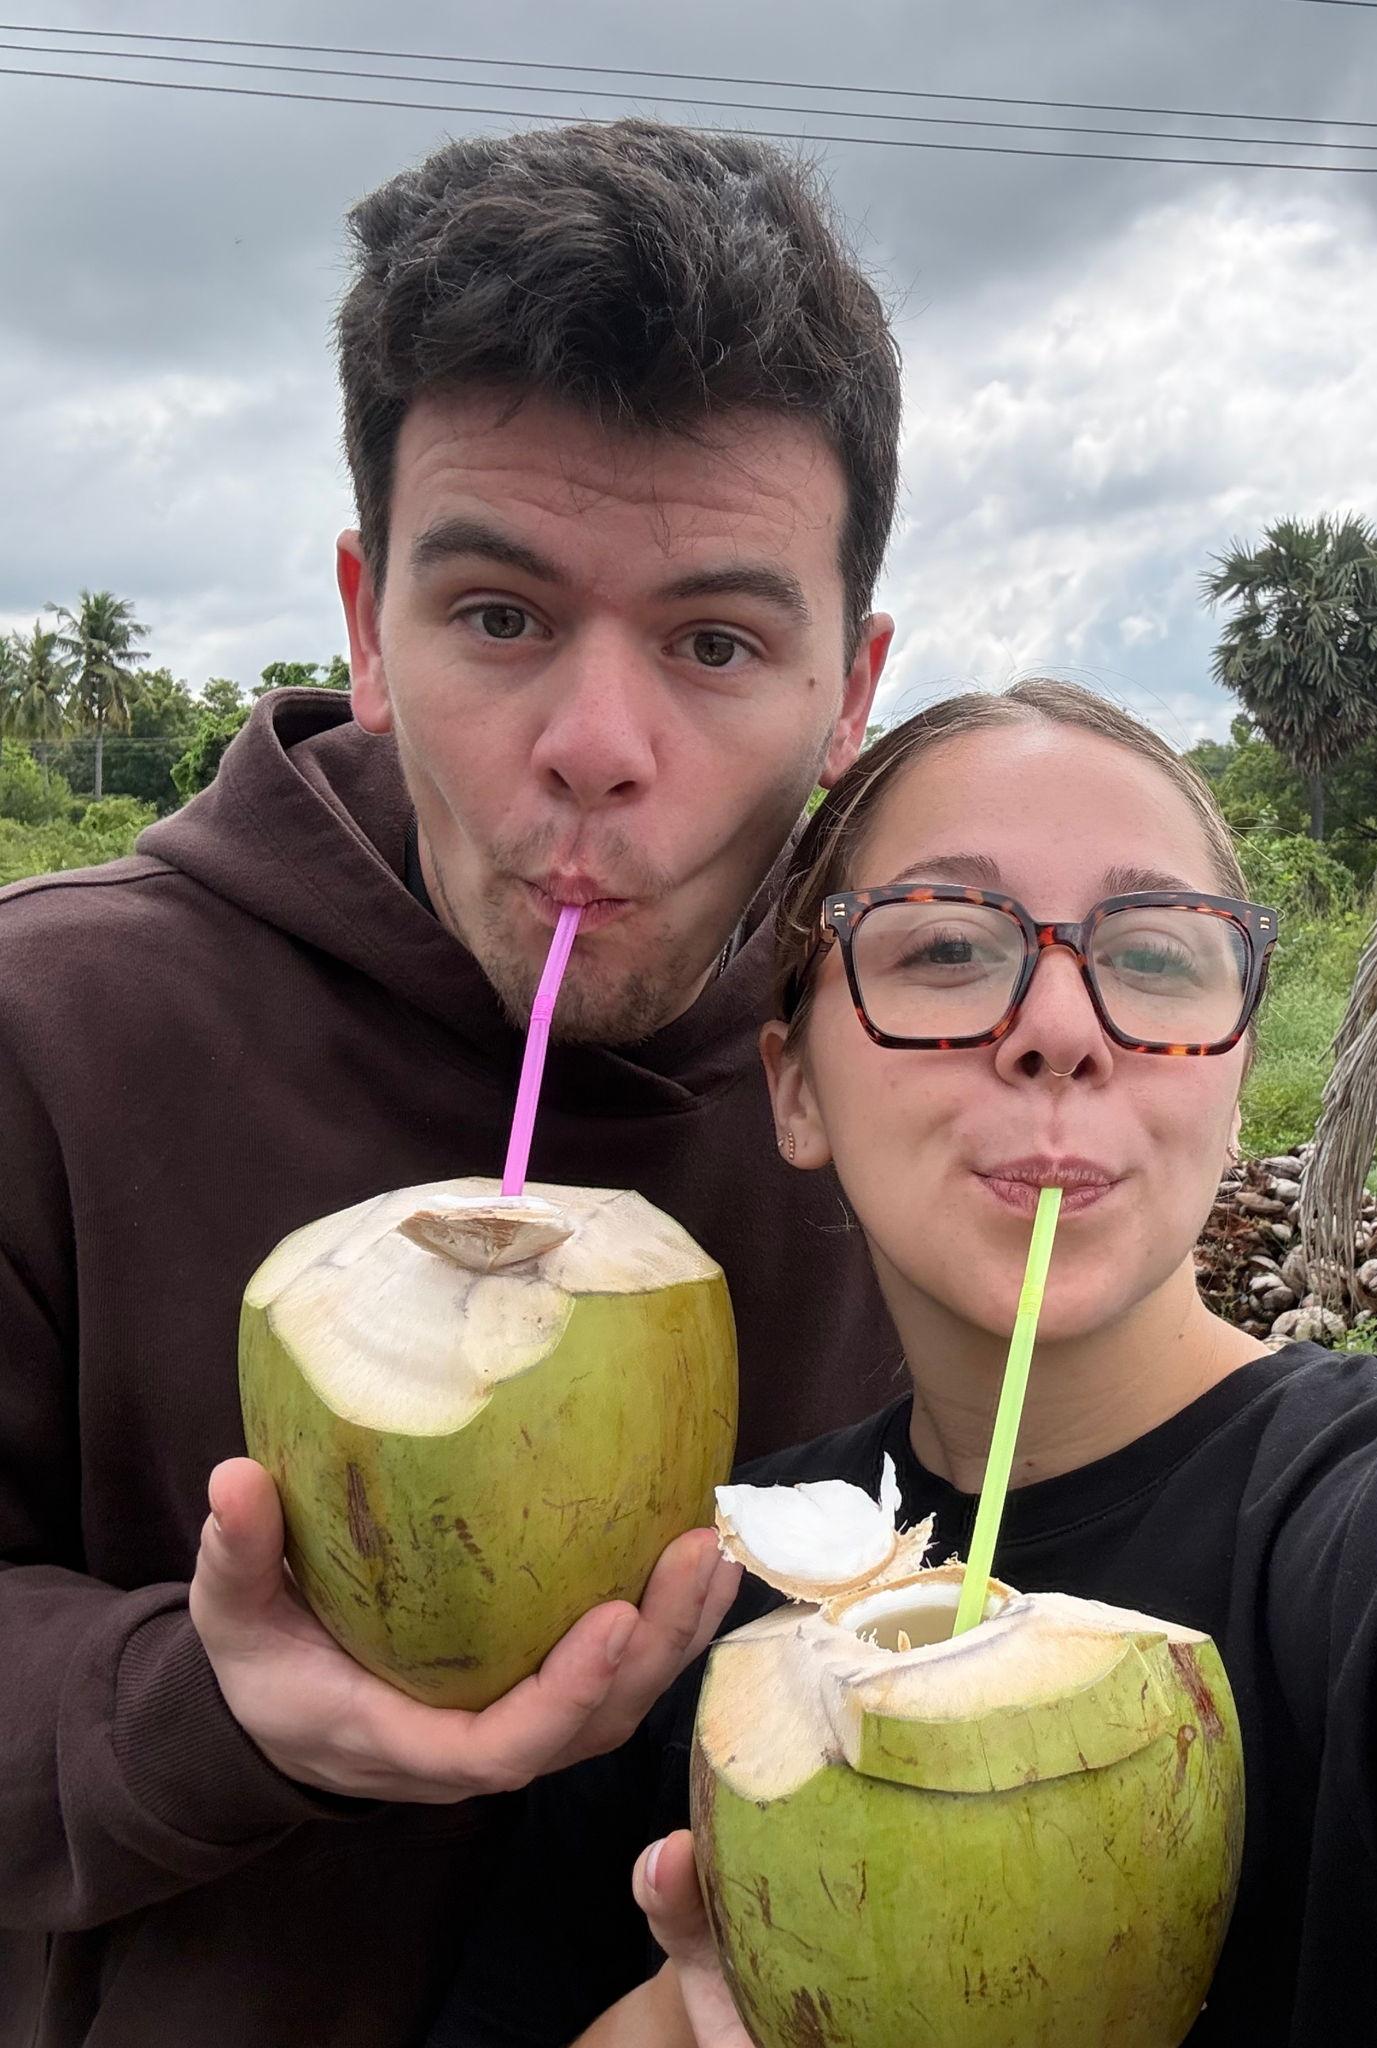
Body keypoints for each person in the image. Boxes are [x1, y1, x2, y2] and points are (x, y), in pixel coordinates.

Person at [433, 680, 1377, 2048]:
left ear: (1234, 1086)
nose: (1058, 1028)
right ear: (795, 1089)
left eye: (1158, 957)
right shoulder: (702, 1581)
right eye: (947, 948)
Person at [0, 120, 911, 2048]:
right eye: (499, 616)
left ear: (851, 689)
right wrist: (199, 1707)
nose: (594, 746)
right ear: (366, 617)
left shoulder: (897, 1098)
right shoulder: (50, 1033)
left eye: (717, 642)